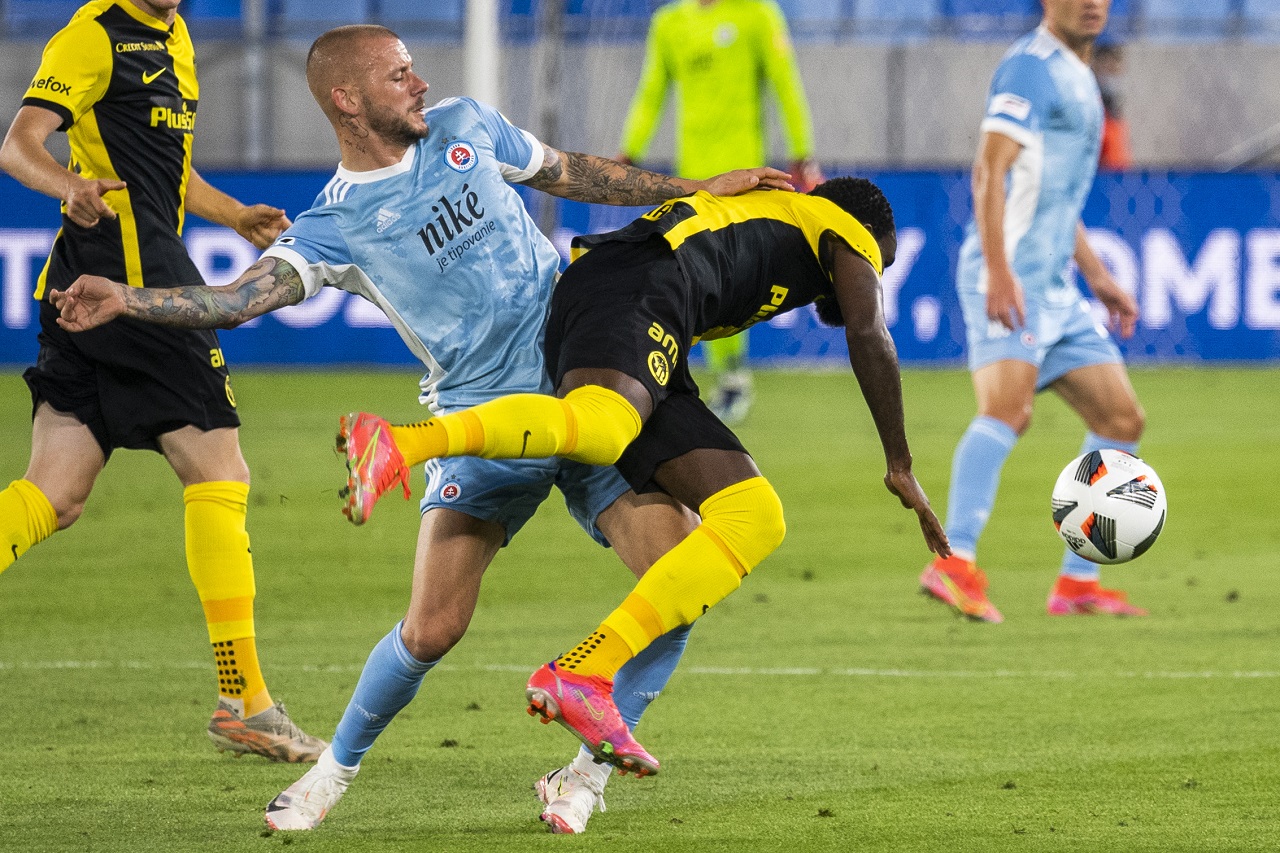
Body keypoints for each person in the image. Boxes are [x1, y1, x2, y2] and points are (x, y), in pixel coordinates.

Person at [50, 24, 792, 835]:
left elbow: (577, 172)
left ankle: (583, 775)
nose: (419, 83)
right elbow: (234, 300)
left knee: (682, 574)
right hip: (478, 419)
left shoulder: (468, 125)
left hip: (586, 379)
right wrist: (129, 297)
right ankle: (328, 776)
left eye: (413, 69)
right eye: (398, 74)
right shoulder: (334, 225)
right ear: (347, 99)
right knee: (432, 627)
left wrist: (698, 187)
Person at [325, 177, 951, 773]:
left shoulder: (781, 225)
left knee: (754, 515)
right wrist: (900, 465)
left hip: (656, 327)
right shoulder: (845, 226)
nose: (875, 272)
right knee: (601, 428)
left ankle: (585, 672)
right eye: (880, 262)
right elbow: (870, 333)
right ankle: (402, 443)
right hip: (640, 285)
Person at [0, 0, 325, 762]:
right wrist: (65, 185)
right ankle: (243, 699)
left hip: (79, 290)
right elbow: (18, 145)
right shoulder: (94, 34)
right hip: (136, 292)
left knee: (54, 492)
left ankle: (243, 700)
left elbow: (166, 173)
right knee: (221, 470)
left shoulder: (173, 36)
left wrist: (232, 212)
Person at [918, 0, 1147, 623]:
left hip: (1055, 286)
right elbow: (990, 171)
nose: (1092, 4)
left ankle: (1077, 583)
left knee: (1121, 418)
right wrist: (997, 269)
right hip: (1011, 274)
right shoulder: (1029, 67)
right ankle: (953, 563)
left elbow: (1052, 193)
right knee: (1008, 412)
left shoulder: (1082, 76)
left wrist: (1097, 275)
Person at [616, 0, 824, 425]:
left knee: (729, 279)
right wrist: (629, 151)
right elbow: (652, 90)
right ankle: (717, 380)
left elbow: (786, 83)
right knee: (695, 278)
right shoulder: (669, 23)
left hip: (746, 176)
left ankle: (731, 377)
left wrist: (802, 152)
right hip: (694, 179)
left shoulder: (757, 14)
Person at [1093, 40, 1133, 170]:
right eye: (1106, 67)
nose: (1112, 74)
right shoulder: (1092, 107)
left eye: (1115, 68)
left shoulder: (1113, 107)